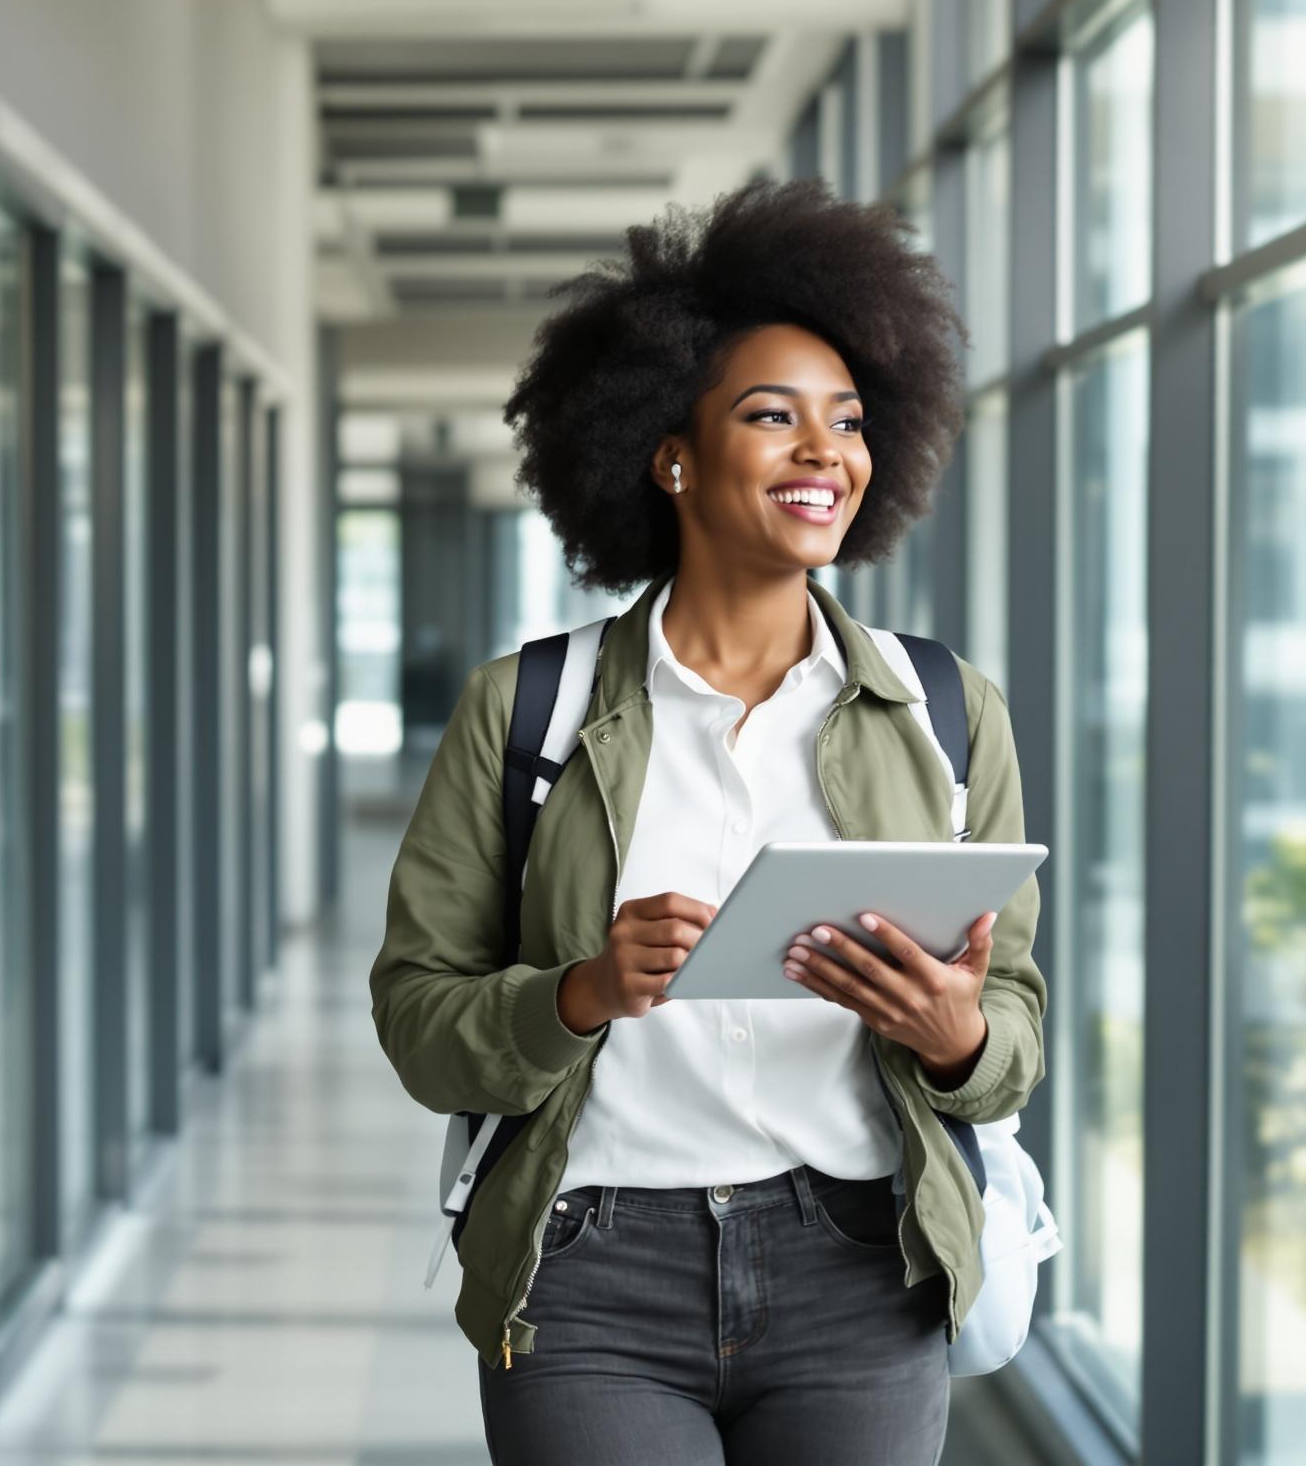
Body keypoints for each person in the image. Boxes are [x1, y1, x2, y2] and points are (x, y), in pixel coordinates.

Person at [367, 177, 1046, 1465]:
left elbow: (1013, 1028)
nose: (824, 453)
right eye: (771, 416)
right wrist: (575, 994)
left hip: (861, 1270)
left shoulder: (947, 711)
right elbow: (419, 1021)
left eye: (846, 423)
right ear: (670, 451)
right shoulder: (526, 710)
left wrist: (956, 1036)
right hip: (588, 1276)